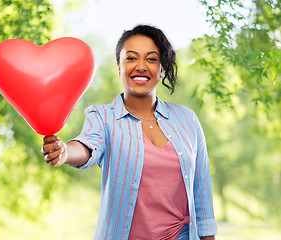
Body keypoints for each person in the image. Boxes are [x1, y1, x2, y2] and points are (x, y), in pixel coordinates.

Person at [41, 24, 217, 240]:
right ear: (119, 66)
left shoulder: (187, 119)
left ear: (162, 67)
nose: (141, 66)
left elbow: (202, 195)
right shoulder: (103, 117)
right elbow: (88, 145)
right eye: (131, 58)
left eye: (151, 59)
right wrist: (65, 152)